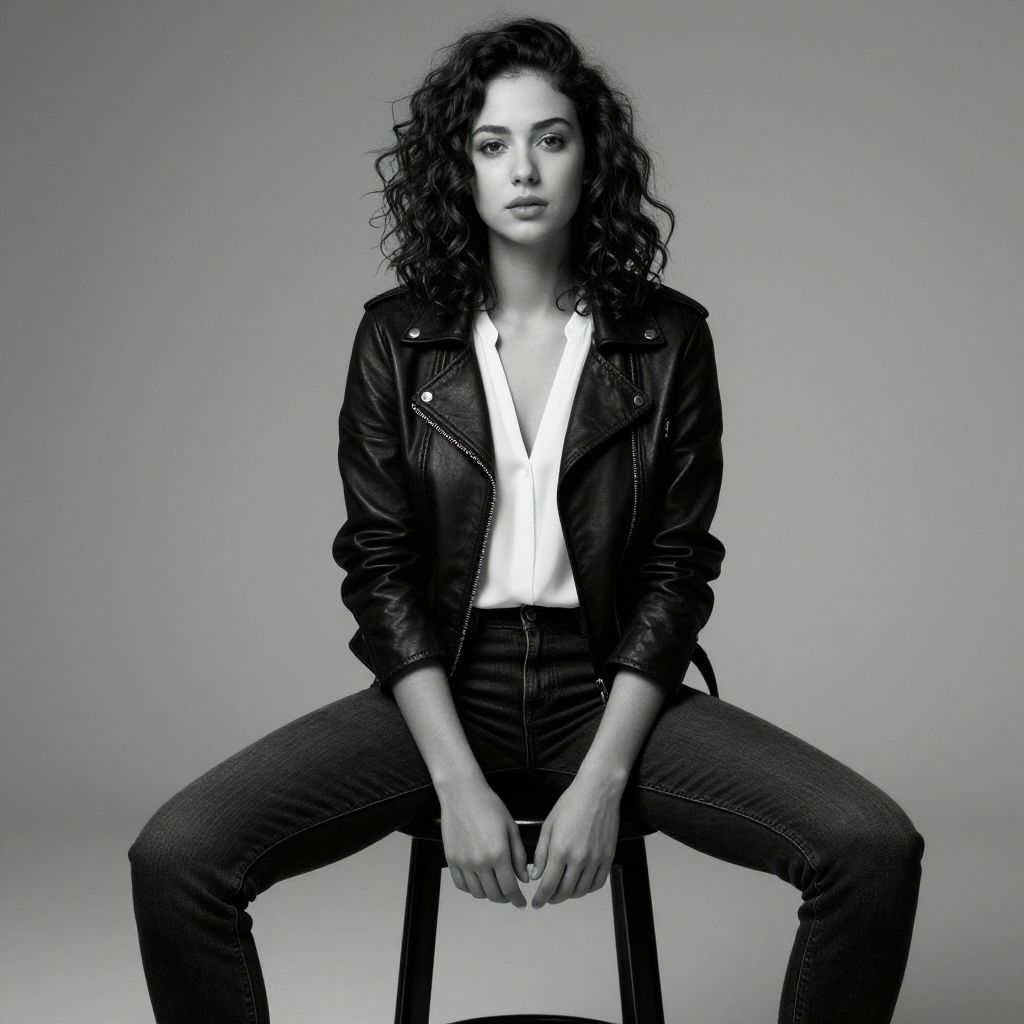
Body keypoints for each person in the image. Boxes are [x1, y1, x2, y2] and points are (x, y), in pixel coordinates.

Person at [128, 16, 924, 1024]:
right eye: (492, 143)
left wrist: (602, 780)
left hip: (613, 686)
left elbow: (678, 571)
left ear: (590, 158)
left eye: (550, 138)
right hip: (440, 688)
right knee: (178, 857)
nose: (524, 168)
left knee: (869, 848)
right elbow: (377, 569)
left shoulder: (667, 339)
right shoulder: (397, 339)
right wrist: (456, 782)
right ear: (457, 167)